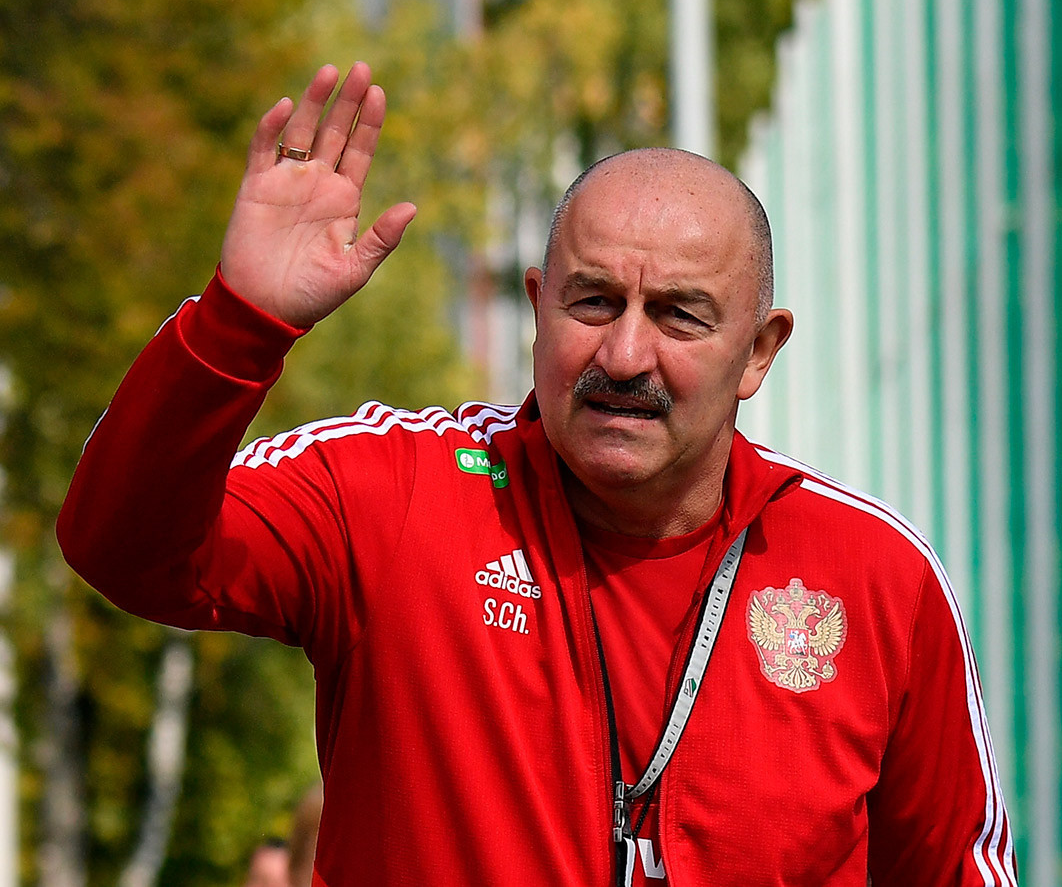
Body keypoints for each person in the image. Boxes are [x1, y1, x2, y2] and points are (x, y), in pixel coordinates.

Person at [58, 62, 1017, 886]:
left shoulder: (877, 577)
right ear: (537, 306)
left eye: (680, 316)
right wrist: (239, 322)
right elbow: (123, 550)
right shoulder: (396, 492)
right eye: (592, 302)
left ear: (759, 352)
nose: (625, 355)